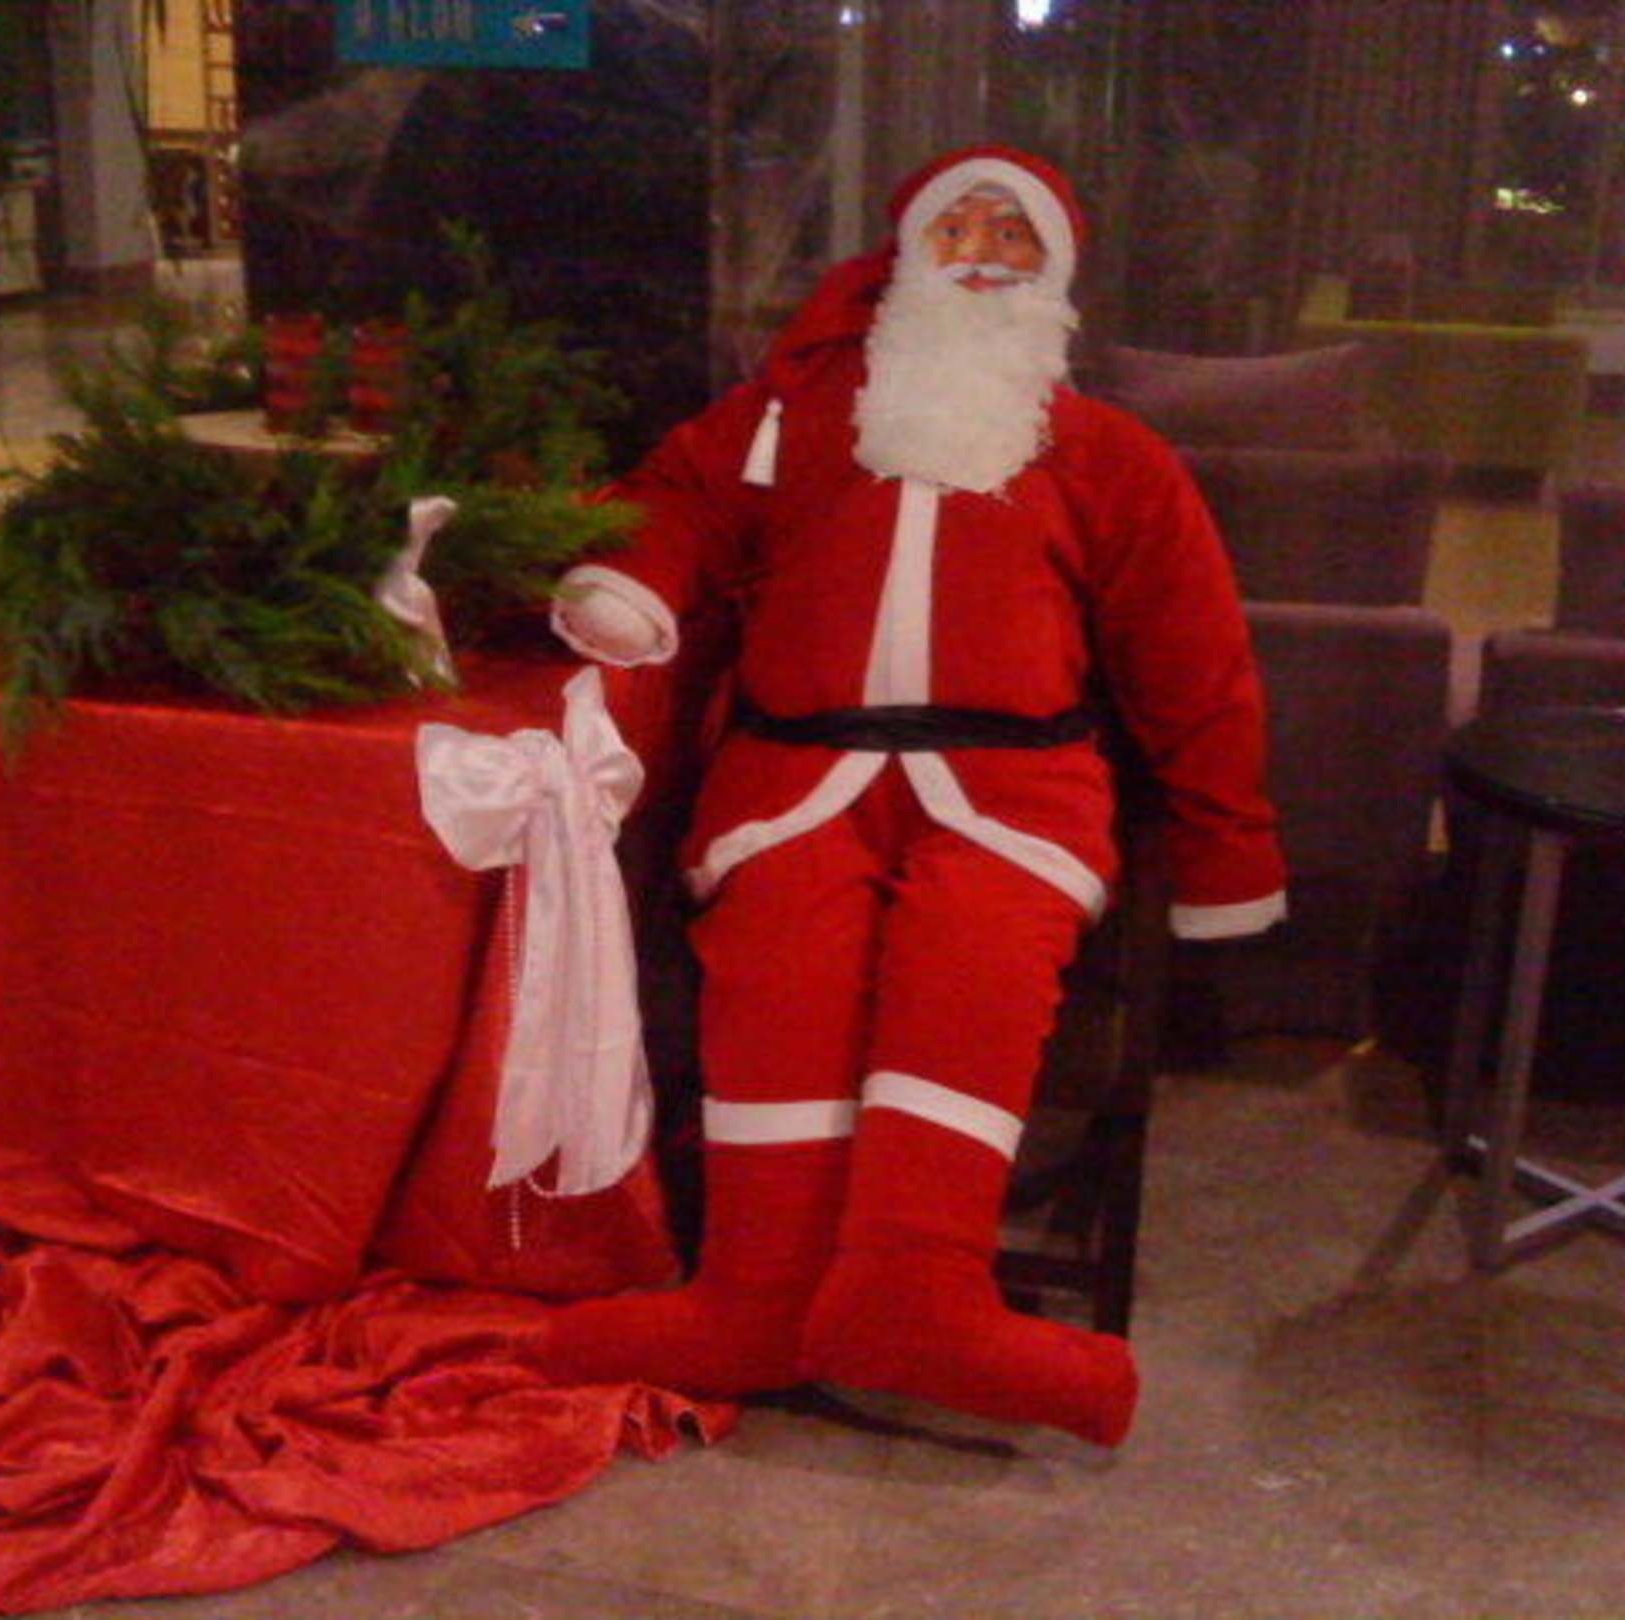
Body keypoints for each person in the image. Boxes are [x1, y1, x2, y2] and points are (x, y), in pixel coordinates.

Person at [538, 144, 1285, 1447]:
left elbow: (1194, 662)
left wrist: (1230, 852)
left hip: (1013, 792)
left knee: (972, 967)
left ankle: (920, 1297)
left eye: (1014, 235)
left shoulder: (1107, 455)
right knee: (778, 967)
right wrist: (634, 580)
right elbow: (677, 501)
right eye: (960, 228)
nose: (983, 253)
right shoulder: (789, 420)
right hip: (794, 779)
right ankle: (754, 1299)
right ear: (907, 254)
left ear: (1053, 274)